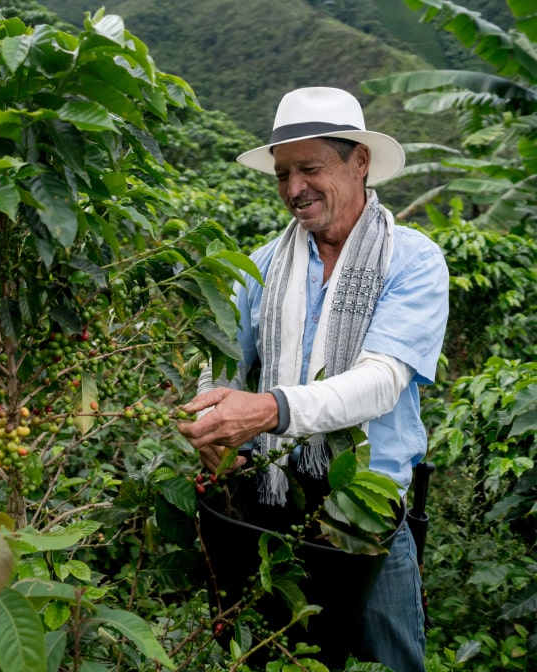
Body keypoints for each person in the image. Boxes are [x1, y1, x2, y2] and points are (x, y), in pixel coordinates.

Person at [178, 87, 449, 671]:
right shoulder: (264, 265)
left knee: (392, 659)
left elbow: (379, 383)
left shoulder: (413, 261)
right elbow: (220, 360)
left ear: (360, 162)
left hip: (366, 512)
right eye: (282, 174)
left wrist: (269, 409)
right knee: (274, 654)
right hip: (270, 501)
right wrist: (210, 422)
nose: (293, 189)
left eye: (310, 169)